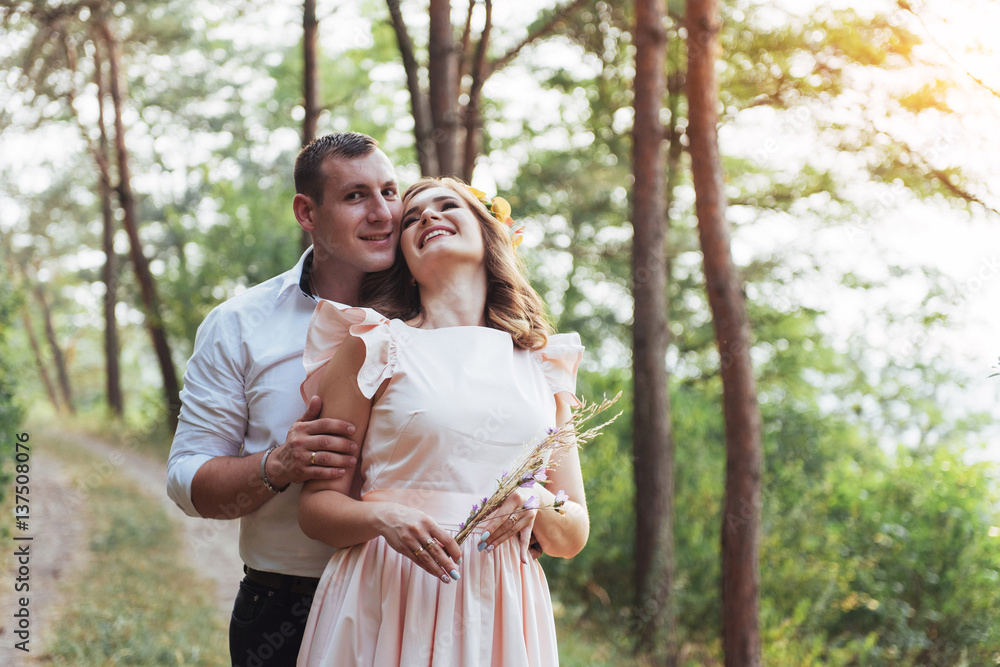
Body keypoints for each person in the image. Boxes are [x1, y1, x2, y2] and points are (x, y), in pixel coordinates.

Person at [294, 177, 590, 666]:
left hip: (502, 608)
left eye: (447, 206)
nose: (427, 217)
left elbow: (574, 533)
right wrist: (381, 518)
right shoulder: (374, 345)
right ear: (405, 261)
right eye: (411, 218)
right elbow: (316, 509)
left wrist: (537, 502)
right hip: (388, 592)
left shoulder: (544, 365)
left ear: (488, 234)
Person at [166, 132, 403, 667]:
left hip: (423, 602)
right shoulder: (239, 325)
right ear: (307, 212)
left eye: (390, 191)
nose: (383, 212)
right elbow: (187, 482)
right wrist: (279, 464)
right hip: (288, 608)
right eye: (356, 196)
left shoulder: (441, 312)